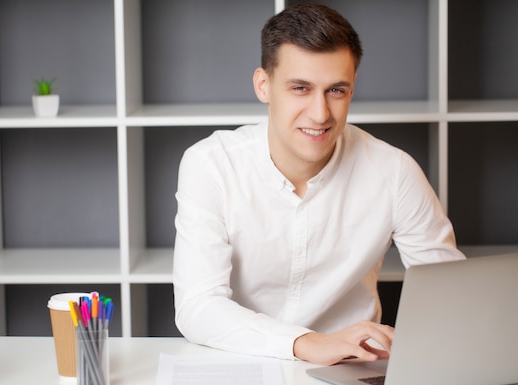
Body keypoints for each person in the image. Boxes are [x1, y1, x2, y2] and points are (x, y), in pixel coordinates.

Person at [172, 3, 465, 366]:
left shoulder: (395, 171)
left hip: (354, 369)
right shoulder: (211, 164)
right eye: (300, 88)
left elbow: (452, 297)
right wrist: (306, 343)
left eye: (336, 91)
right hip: (243, 363)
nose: (320, 113)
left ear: (352, 88)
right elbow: (197, 307)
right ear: (263, 86)